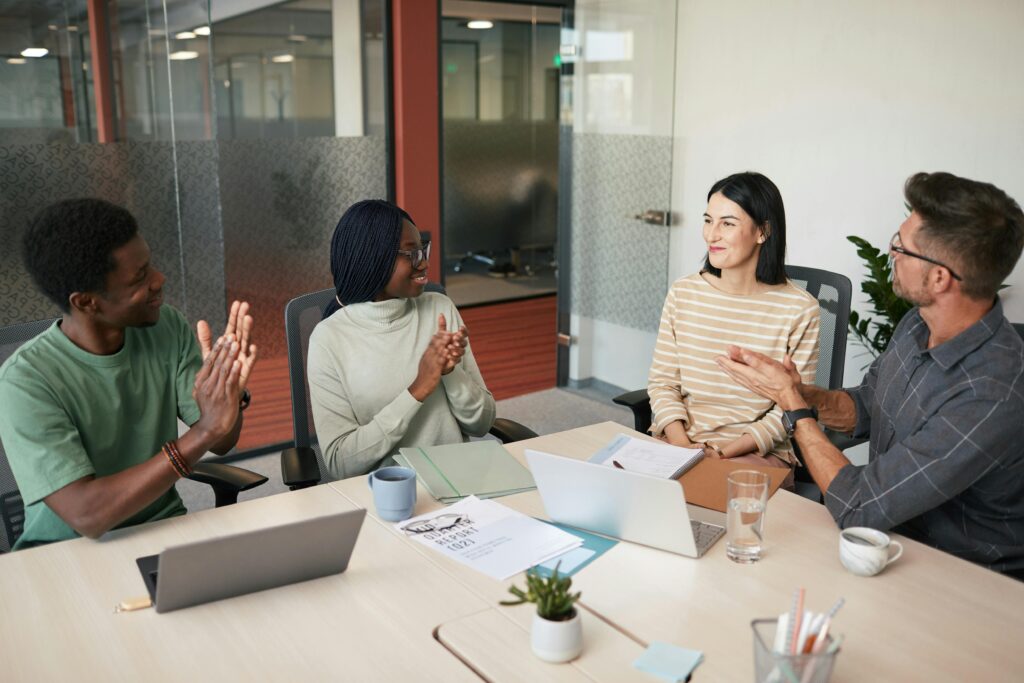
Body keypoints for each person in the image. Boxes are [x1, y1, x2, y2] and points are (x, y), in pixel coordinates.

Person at [718, 171, 1024, 577]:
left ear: (938, 277)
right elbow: (864, 408)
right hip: (887, 540)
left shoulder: (993, 391)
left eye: (901, 247)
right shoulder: (919, 324)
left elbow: (860, 506)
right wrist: (801, 392)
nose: (891, 253)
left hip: (963, 575)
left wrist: (792, 407)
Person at [0, 198, 258, 549]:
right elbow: (88, 514)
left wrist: (226, 391)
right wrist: (203, 434)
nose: (159, 280)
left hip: (161, 532)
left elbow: (223, 441)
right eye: (140, 277)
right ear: (87, 302)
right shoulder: (25, 382)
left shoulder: (166, 326)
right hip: (66, 552)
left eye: (149, 265)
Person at [647, 172, 820, 486]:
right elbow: (662, 383)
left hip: (755, 452)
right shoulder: (684, 293)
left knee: (706, 507)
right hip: (679, 442)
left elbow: (791, 406)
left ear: (762, 232)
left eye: (727, 223)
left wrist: (721, 453)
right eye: (708, 220)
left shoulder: (799, 309)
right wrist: (682, 445)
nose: (712, 235)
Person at [307, 199, 495, 479]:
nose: (425, 263)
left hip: (456, 485)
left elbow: (482, 424)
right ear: (373, 259)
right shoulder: (328, 339)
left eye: (423, 250)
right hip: (384, 495)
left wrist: (449, 372)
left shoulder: (439, 310)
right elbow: (340, 462)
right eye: (411, 254)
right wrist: (418, 389)